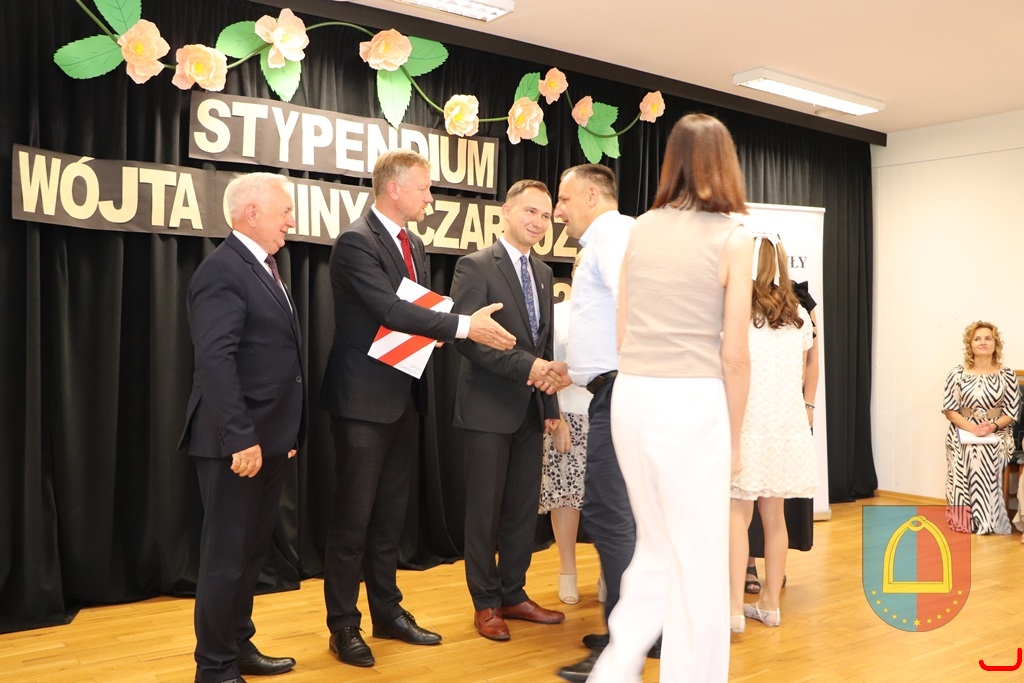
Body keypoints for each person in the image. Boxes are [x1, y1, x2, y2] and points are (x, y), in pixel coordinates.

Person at [319, 149, 516, 668]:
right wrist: (465, 326)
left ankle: (387, 613)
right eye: (425, 188)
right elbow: (389, 309)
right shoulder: (356, 241)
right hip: (362, 401)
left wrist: (453, 323)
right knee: (352, 522)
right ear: (394, 189)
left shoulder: (415, 243)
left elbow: (418, 309)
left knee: (390, 519)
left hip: (403, 396)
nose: (431, 198)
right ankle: (343, 625)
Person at [588, 113, 753, 683]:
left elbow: (622, 329)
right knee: (698, 559)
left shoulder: (641, 228)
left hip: (633, 392)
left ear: (672, 161)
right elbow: (735, 354)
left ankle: (615, 669)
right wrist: (735, 440)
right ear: (725, 163)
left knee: (656, 549)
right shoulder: (734, 238)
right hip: (692, 401)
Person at [179, 172, 305, 683]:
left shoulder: (264, 267)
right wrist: (242, 437)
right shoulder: (223, 270)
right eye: (284, 211)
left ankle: (237, 645)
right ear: (252, 213)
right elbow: (215, 361)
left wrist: (283, 435)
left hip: (267, 440)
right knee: (226, 558)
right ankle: (214, 667)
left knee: (251, 553)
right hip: (234, 443)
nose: (291, 221)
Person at [450, 179, 568, 642]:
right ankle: (485, 602)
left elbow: (544, 345)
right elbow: (470, 342)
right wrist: (530, 369)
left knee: (521, 510)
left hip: (530, 409)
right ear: (506, 212)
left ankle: (513, 593)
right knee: (484, 512)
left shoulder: (544, 272)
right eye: (530, 212)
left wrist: (550, 403)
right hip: (486, 409)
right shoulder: (475, 265)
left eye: (545, 215)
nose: (538, 222)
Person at [549, 165, 641, 682]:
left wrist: (623, 371)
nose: (558, 211)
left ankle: (622, 647)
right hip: (615, 385)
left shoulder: (609, 235)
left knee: (608, 514)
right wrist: (577, 368)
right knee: (626, 516)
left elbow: (633, 304)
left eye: (563, 200)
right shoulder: (616, 235)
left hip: (621, 392)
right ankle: (642, 631)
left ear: (590, 195)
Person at [728, 234, 818, 633]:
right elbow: (806, 366)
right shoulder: (799, 313)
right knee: (775, 515)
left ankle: (734, 608)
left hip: (747, 417)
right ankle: (770, 604)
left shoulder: (737, 309)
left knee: (737, 514)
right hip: (785, 421)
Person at [743, 279, 818, 594]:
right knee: (761, 510)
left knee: (753, 509)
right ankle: (758, 582)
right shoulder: (740, 297)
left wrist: (808, 403)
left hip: (768, 415)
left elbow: (811, 360)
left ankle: (756, 592)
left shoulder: (798, 302)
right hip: (767, 415)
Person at [942, 321, 1021, 535]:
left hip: (998, 433)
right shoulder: (957, 373)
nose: (983, 342)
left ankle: (987, 520)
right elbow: (950, 411)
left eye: (988, 338)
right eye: (977, 339)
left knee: (982, 451)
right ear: (970, 345)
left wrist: (990, 427)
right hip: (962, 430)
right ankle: (963, 520)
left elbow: (1011, 413)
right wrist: (973, 429)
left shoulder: (1007, 375)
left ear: (996, 344)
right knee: (966, 449)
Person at [539, 298, 592, 605]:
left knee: (612, 500)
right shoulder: (557, 313)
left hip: (610, 413)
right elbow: (545, 366)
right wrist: (556, 417)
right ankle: (567, 571)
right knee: (565, 495)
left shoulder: (617, 310)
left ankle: (608, 574)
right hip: (568, 414)